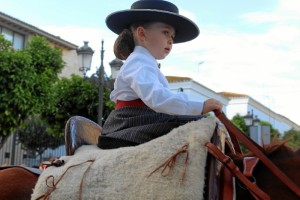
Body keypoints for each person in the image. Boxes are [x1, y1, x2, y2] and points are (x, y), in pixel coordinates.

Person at [98, 0, 223, 149]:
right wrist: (199, 106)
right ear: (142, 34)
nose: (171, 40)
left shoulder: (144, 62)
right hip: (131, 124)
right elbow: (157, 98)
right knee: (199, 126)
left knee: (198, 123)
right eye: (165, 32)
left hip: (143, 119)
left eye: (173, 36)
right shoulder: (138, 62)